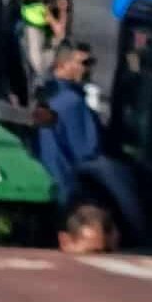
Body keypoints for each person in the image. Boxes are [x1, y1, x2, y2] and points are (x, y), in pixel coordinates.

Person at [34, 41, 100, 204]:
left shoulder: (44, 95)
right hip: (67, 190)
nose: (87, 68)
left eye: (90, 63)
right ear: (63, 64)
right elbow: (87, 152)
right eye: (83, 63)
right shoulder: (72, 102)